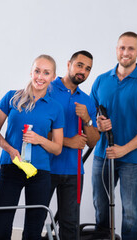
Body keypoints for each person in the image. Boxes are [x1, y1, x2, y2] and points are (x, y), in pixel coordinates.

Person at [90, 31, 137, 240]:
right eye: (122, 47)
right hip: (102, 156)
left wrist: (124, 149)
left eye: (131, 48)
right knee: (101, 208)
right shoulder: (101, 80)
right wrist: (98, 123)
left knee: (131, 213)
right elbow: (91, 116)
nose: (126, 52)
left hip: (133, 159)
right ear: (116, 50)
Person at [0, 55, 65, 240]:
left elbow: (57, 148)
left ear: (53, 77)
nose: (40, 76)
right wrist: (9, 149)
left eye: (46, 73)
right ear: (31, 72)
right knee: (1, 227)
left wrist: (40, 139)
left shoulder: (56, 108)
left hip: (39, 172)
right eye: (37, 71)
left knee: (33, 230)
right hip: (11, 167)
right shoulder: (11, 97)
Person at [47, 50, 100, 240]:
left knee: (70, 225)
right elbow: (35, 130)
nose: (83, 71)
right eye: (79, 65)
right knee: (36, 218)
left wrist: (87, 120)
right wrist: (69, 142)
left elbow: (93, 141)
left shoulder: (87, 101)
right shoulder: (47, 89)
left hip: (74, 172)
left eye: (88, 69)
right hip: (45, 167)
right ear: (68, 64)